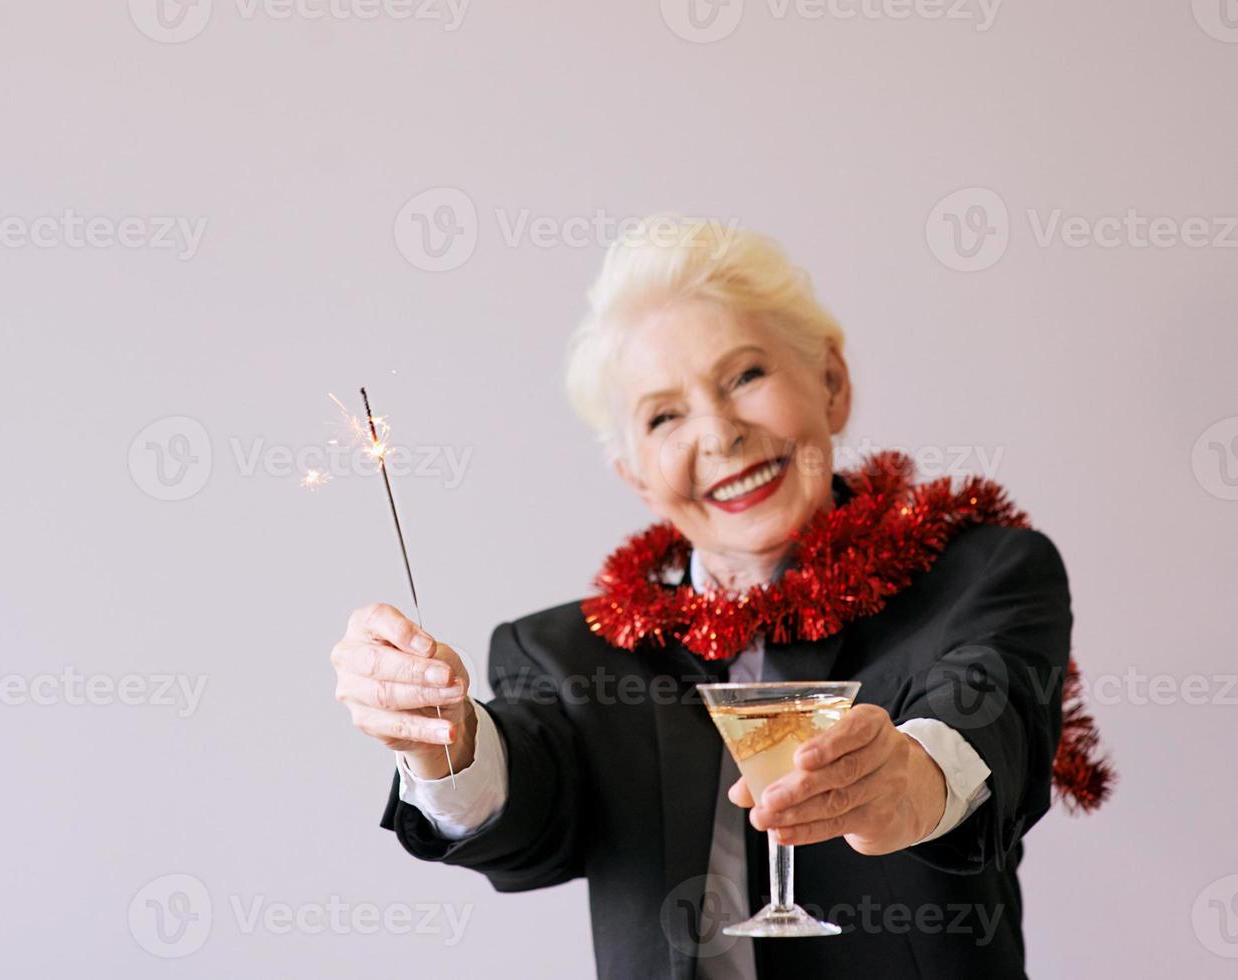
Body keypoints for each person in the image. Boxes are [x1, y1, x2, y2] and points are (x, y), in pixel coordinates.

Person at [330, 218, 1109, 979]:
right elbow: (527, 815)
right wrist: (446, 742)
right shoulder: (574, 655)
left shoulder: (976, 573)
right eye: (664, 416)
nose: (719, 433)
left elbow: (991, 708)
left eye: (745, 376)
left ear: (832, 384)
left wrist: (911, 779)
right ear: (634, 474)